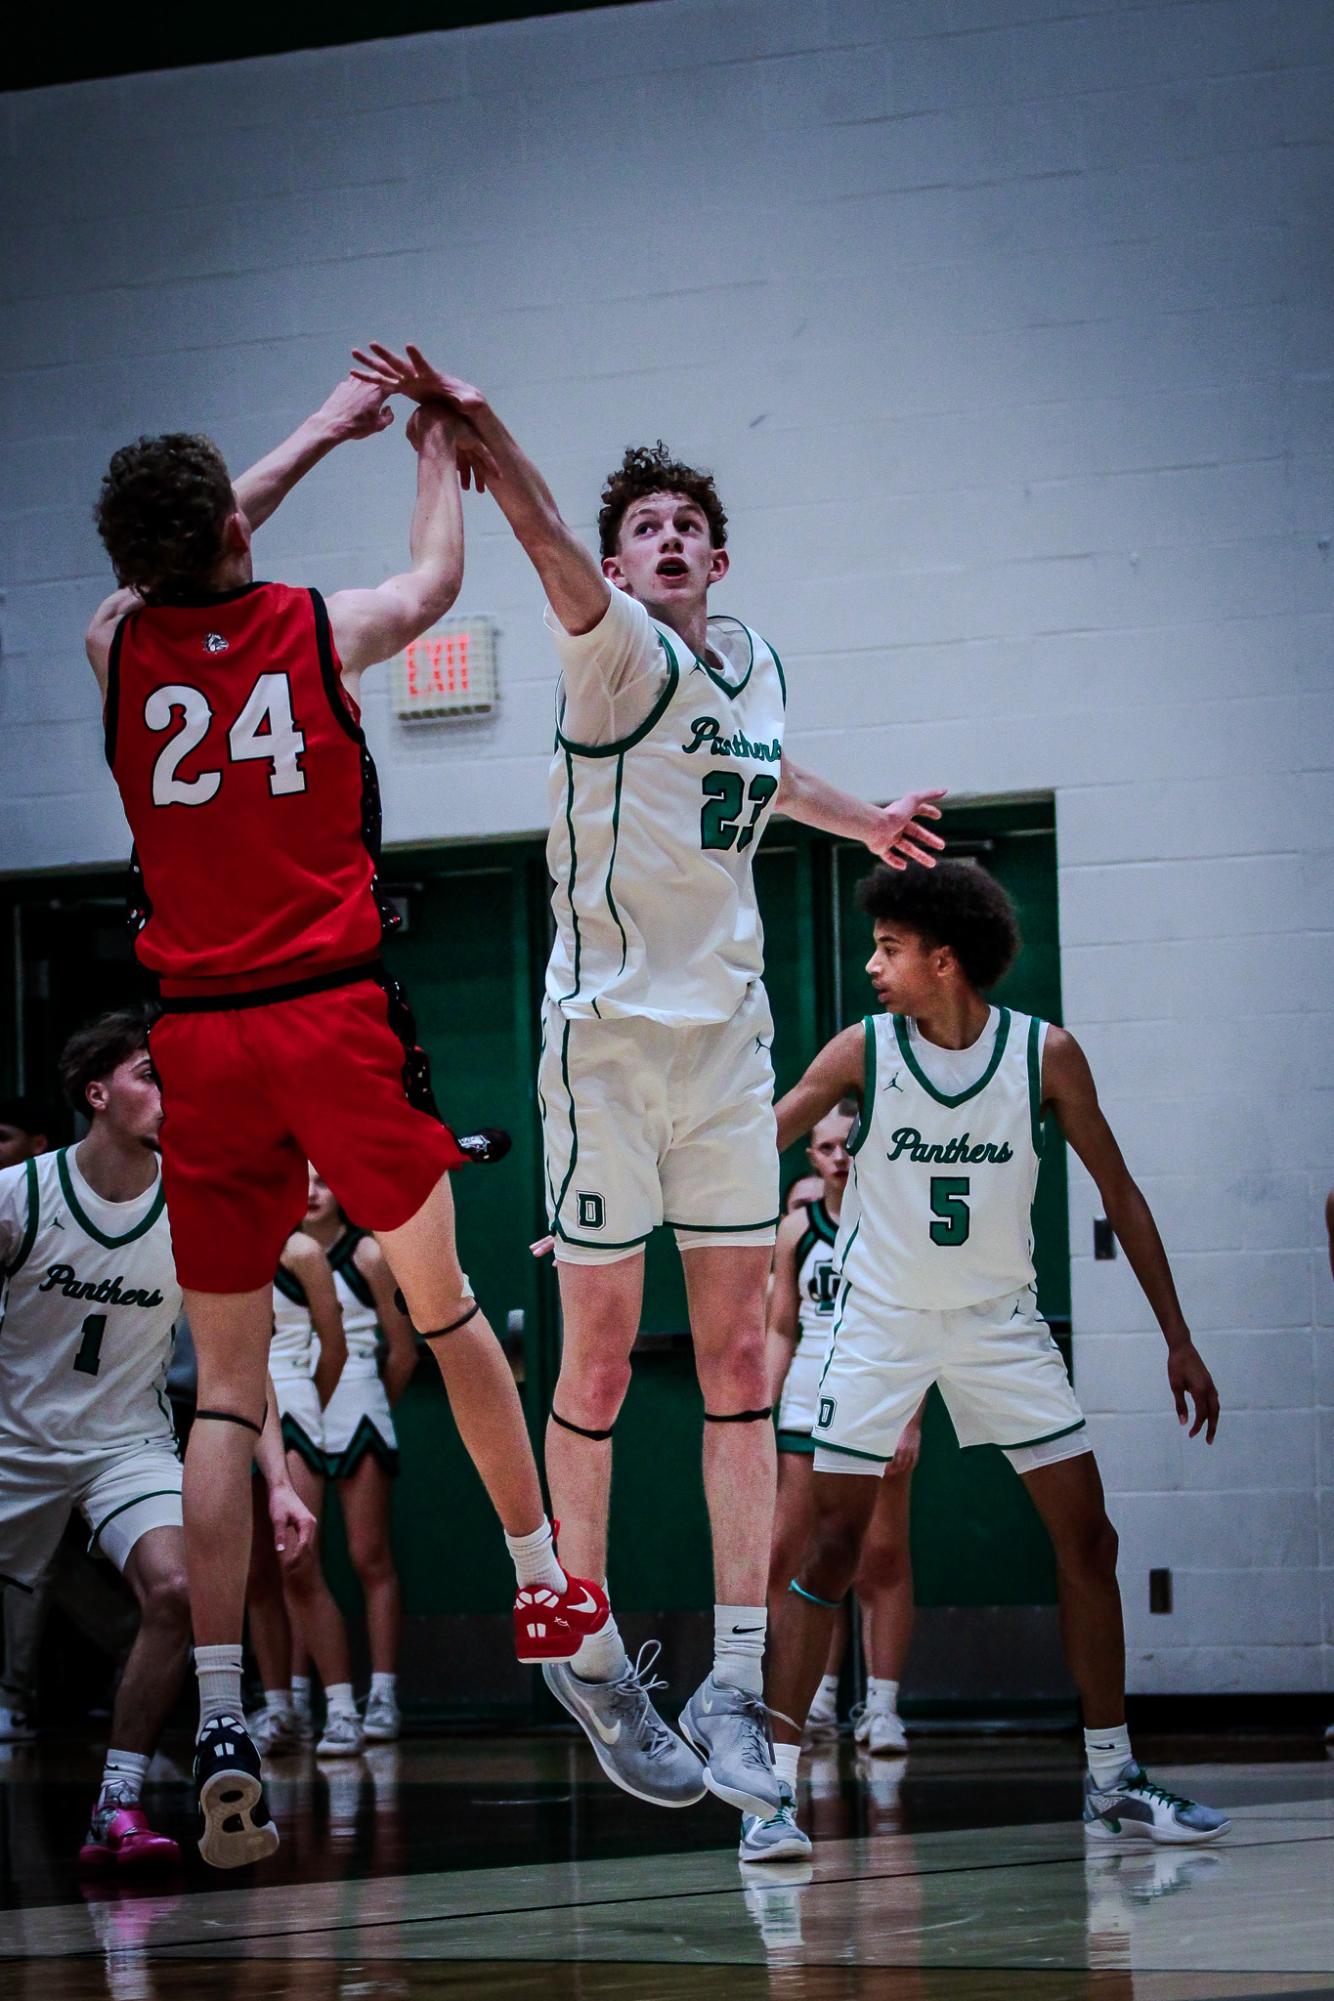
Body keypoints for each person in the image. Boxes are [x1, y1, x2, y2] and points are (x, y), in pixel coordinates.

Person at [348, 342, 945, 1818]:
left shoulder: (753, 664)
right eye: (643, 530)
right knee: (604, 1355)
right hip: (605, 1041)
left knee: (744, 1363)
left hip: (727, 1047)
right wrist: (484, 438)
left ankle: (737, 1683)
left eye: (686, 526)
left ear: (719, 554)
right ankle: (598, 1647)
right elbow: (547, 536)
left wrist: (863, 821)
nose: (664, 542)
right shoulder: (608, 642)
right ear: (619, 566)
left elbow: (762, 774)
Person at [85, 374, 608, 1866]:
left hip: (199, 1038)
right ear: (232, 538)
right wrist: (427, 450)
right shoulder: (314, 627)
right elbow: (437, 577)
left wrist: (306, 437)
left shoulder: (113, 644)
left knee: (230, 1393)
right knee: (442, 1308)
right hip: (330, 1007)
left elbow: (187, 543)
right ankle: (541, 1583)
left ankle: (229, 1711)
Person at [752, 860, 1231, 1861]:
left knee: (1088, 1539)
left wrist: (1177, 1338)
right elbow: (756, 1145)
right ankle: (772, 1791)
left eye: (887, 950)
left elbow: (1122, 1194)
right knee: (829, 1552)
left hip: (997, 1322)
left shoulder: (1043, 1056)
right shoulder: (861, 1051)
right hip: (877, 1321)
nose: (871, 967)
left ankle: (1110, 1776)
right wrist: (618, 1214)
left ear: (944, 960)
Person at [0, 1009, 314, 1870]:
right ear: (97, 1092)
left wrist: (279, 1480)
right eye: (150, 1074)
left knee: (179, 1589)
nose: (170, 1095)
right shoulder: (19, 1195)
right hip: (11, 1440)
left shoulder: (196, 1207)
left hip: (123, 1443)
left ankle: (118, 1802)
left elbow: (238, 1367)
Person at [766, 1105, 919, 1765]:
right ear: (810, 1155)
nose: (837, 1156)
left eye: (847, 1144)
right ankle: (813, 1696)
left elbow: (919, 1328)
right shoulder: (795, 1230)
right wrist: (756, 1412)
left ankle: (883, 1705)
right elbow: (780, 1328)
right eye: (824, 1146)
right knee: (791, 1554)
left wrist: (911, 1416)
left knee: (881, 1558)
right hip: (804, 1406)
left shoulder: (896, 1226)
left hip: (877, 1403)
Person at [249, 1216, 366, 1758]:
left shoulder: (299, 1250)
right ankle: (280, 1711)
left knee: (299, 1564)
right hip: (230, 1408)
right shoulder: (215, 1234)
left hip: (294, 1403)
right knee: (253, 1576)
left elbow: (335, 1346)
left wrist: (308, 1407)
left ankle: (342, 1710)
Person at [308, 1170, 414, 1743]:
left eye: (324, 1179)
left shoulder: (370, 1252)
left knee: (368, 1554)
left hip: (359, 1404)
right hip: (296, 1403)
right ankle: (301, 1699)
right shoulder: (276, 1251)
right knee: (296, 1563)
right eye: (300, 1179)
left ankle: (383, 1695)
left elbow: (402, 1353)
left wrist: (373, 1402)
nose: (312, 1191)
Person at [0, 1093, 54, 1745]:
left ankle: (13, 1693)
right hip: (19, 1410)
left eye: (3, 1136)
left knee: (39, 1562)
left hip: (68, 1417)